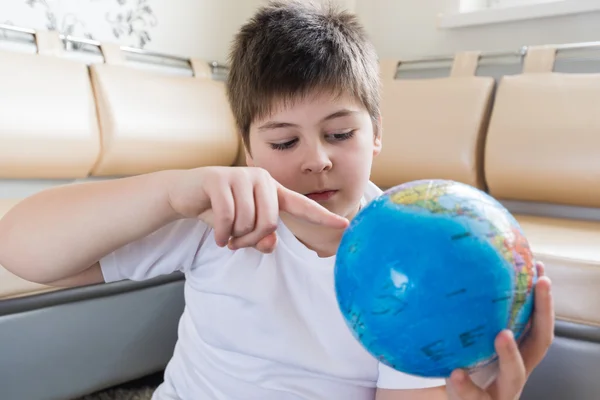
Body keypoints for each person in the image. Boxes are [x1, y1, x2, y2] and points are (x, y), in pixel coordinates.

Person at [0, 1, 554, 399]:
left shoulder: (412, 256)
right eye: (284, 141)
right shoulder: (216, 218)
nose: (317, 159)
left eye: (340, 134)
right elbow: (22, 250)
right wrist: (171, 190)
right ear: (247, 147)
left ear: (377, 132)